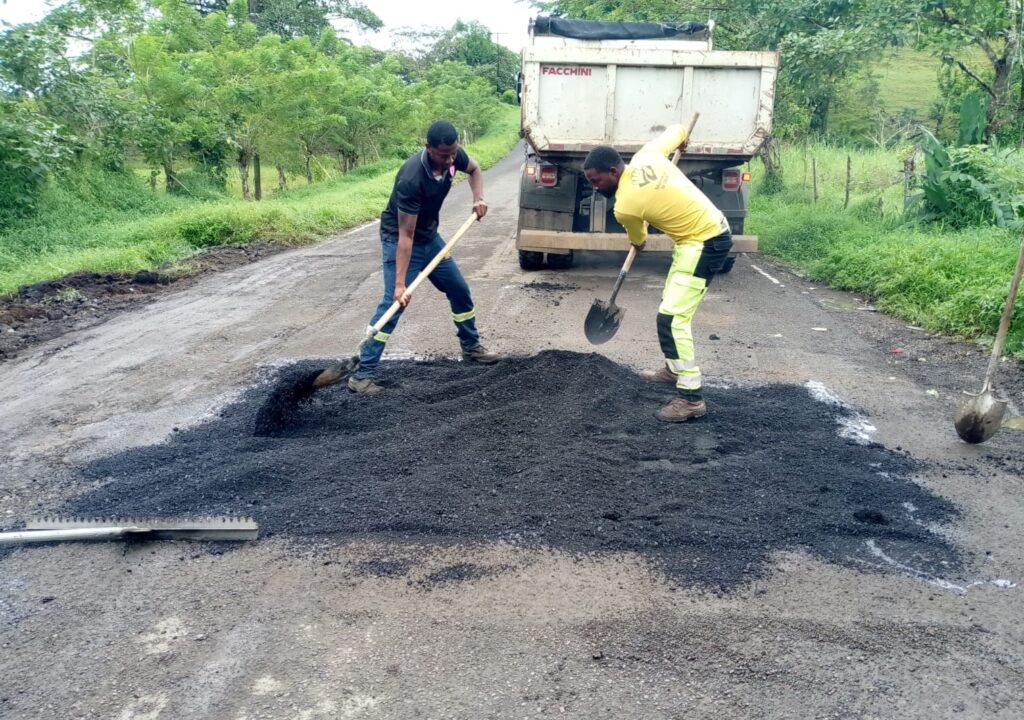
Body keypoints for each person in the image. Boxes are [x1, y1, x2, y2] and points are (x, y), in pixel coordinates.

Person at [583, 124, 733, 422]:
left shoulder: (625, 206)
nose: (594, 187)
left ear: (613, 171)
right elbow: (677, 130)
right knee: (669, 306)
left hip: (705, 241)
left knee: (672, 318)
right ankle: (673, 370)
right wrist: (684, 140)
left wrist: (637, 238)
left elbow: (639, 239)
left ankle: (690, 397)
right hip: (694, 239)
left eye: (596, 180)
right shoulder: (646, 156)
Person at [348, 120, 500, 395]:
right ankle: (362, 374)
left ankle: (471, 348)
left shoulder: (454, 156)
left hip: (430, 239)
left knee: (459, 289)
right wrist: (399, 286)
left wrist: (478, 198)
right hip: (401, 240)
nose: (450, 159)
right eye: (444, 154)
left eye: (453, 153)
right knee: (394, 304)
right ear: (428, 148)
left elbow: (475, 170)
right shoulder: (412, 177)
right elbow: (406, 236)